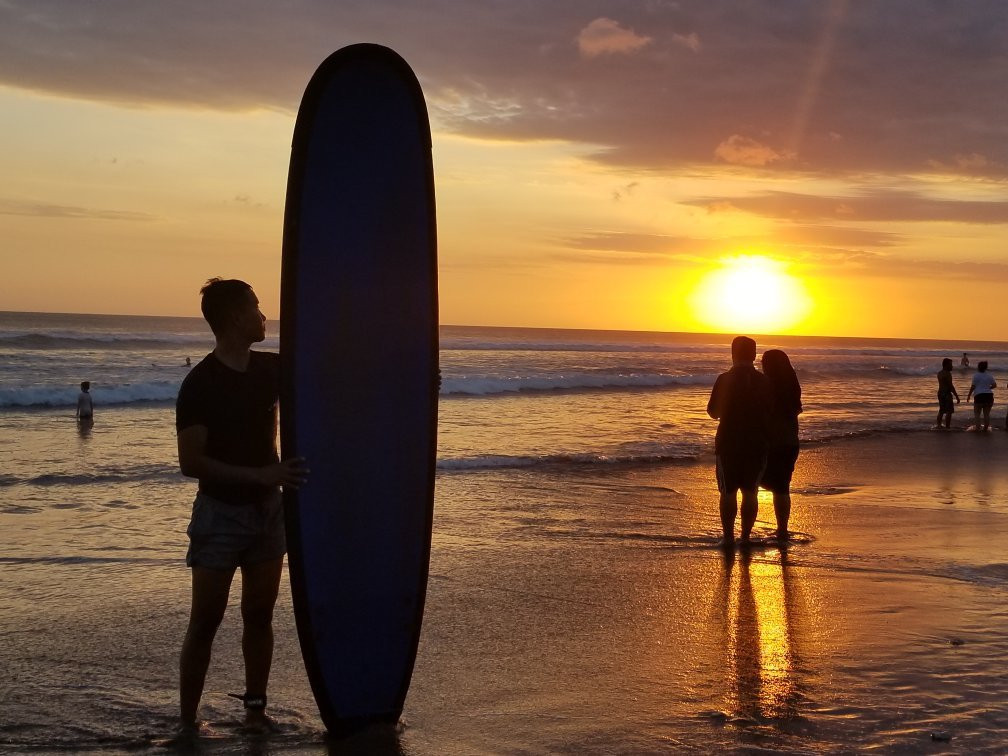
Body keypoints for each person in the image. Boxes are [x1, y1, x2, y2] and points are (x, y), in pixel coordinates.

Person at [175, 278, 308, 735]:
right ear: (235, 316)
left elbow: (336, 373)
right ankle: (187, 722)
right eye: (255, 306)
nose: (263, 314)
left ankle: (255, 711)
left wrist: (417, 376)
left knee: (259, 614)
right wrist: (263, 476)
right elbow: (191, 462)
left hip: (267, 514)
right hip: (219, 517)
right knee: (206, 621)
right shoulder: (200, 384)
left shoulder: (271, 370)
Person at [707, 336, 771, 548]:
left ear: (733, 354)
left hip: (728, 441)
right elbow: (772, 412)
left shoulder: (724, 379)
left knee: (728, 491)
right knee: (751, 491)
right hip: (757, 441)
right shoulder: (764, 381)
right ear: (754, 355)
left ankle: (727, 537)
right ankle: (745, 537)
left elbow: (713, 412)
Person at [760, 349, 802, 540]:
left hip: (769, 442)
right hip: (790, 441)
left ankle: (745, 531)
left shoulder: (765, 386)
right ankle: (782, 529)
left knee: (752, 484)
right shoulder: (793, 386)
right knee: (782, 487)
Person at [966, 360, 996, 432]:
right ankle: (985, 429)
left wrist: (969, 395)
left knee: (977, 414)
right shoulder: (989, 375)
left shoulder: (976, 375)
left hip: (979, 396)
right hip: (989, 396)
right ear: (986, 368)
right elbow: (994, 385)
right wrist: (987, 388)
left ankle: (978, 428)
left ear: (978, 367)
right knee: (986, 414)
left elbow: (973, 387)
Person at [936, 358, 960, 429]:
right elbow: (950, 386)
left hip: (940, 393)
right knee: (949, 411)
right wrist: (957, 396)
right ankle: (947, 427)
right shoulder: (948, 374)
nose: (952, 366)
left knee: (941, 410)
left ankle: (939, 425)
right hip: (946, 393)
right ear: (946, 365)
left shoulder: (939, 373)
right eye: (950, 365)